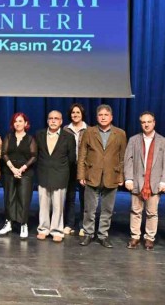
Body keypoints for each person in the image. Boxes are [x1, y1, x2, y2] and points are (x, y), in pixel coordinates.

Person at [77, 104, 127, 248]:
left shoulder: (120, 133)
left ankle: (103, 235)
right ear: (97, 117)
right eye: (100, 115)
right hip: (92, 175)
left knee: (107, 209)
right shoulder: (89, 132)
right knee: (89, 208)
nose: (103, 117)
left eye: (106, 115)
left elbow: (123, 157)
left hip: (112, 176)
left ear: (111, 117)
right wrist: (81, 175)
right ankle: (88, 234)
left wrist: (121, 176)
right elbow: (82, 155)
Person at [124, 111, 165, 250]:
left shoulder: (163, 141)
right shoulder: (133, 140)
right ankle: (135, 236)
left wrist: (164, 181)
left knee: (152, 212)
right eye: (143, 122)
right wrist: (128, 178)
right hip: (137, 182)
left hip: (154, 183)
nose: (146, 124)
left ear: (154, 123)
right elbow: (128, 160)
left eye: (149, 122)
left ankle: (150, 238)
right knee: (135, 211)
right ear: (140, 124)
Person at [35, 110, 76, 242]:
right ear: (47, 121)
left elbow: (71, 158)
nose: (53, 121)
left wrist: (62, 169)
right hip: (43, 173)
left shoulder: (68, 137)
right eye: (51, 118)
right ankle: (43, 229)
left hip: (60, 175)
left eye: (56, 118)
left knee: (58, 205)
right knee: (43, 204)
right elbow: (36, 154)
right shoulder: (39, 135)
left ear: (61, 121)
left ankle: (57, 230)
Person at [0, 112, 37, 239]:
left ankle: (23, 224)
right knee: (9, 198)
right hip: (9, 172)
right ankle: (8, 223)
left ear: (26, 123)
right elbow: (4, 153)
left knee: (23, 198)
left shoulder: (30, 139)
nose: (18, 123)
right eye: (15, 121)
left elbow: (33, 156)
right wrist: (13, 169)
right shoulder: (8, 137)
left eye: (20, 121)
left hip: (25, 173)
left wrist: (21, 169)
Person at [63, 103, 87, 235]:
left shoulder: (89, 130)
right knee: (70, 196)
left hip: (85, 168)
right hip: (69, 167)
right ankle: (69, 224)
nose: (75, 115)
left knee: (85, 197)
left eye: (78, 112)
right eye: (73, 112)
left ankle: (83, 225)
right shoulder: (65, 129)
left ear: (82, 114)